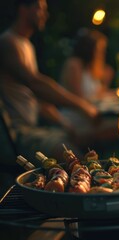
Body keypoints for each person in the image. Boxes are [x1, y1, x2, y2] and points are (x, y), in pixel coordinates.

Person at [0, 0, 100, 164]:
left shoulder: (26, 45)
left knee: (89, 139)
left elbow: (35, 99)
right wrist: (82, 106)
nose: (45, 15)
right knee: (76, 161)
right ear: (23, 9)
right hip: (16, 134)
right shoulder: (7, 43)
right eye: (40, 9)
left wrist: (64, 123)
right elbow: (35, 83)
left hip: (32, 129)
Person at [59, 28, 119, 144]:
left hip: (90, 115)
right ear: (89, 48)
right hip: (76, 117)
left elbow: (97, 95)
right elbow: (78, 98)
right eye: (100, 49)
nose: (102, 53)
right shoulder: (74, 64)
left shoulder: (89, 69)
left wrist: (110, 86)